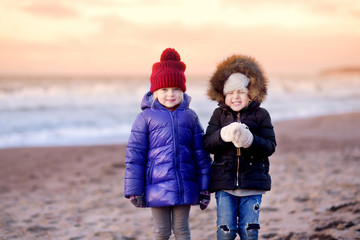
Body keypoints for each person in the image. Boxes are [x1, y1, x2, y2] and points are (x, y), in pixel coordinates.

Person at [124, 48, 212, 240]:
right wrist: (134, 190)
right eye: (164, 89)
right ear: (154, 91)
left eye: (176, 89)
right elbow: (135, 157)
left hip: (185, 185)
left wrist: (205, 187)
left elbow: (201, 154)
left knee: (182, 230)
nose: (170, 94)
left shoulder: (190, 116)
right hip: (156, 186)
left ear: (183, 91)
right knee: (161, 232)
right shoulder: (145, 118)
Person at [203, 54, 276, 240]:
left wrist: (249, 140)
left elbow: (269, 146)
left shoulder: (261, 115)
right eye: (230, 93)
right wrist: (223, 135)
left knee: (249, 231)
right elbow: (207, 143)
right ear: (223, 95)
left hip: (253, 183)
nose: (235, 97)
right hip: (224, 184)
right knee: (226, 230)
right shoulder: (219, 115)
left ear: (250, 94)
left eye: (241, 92)